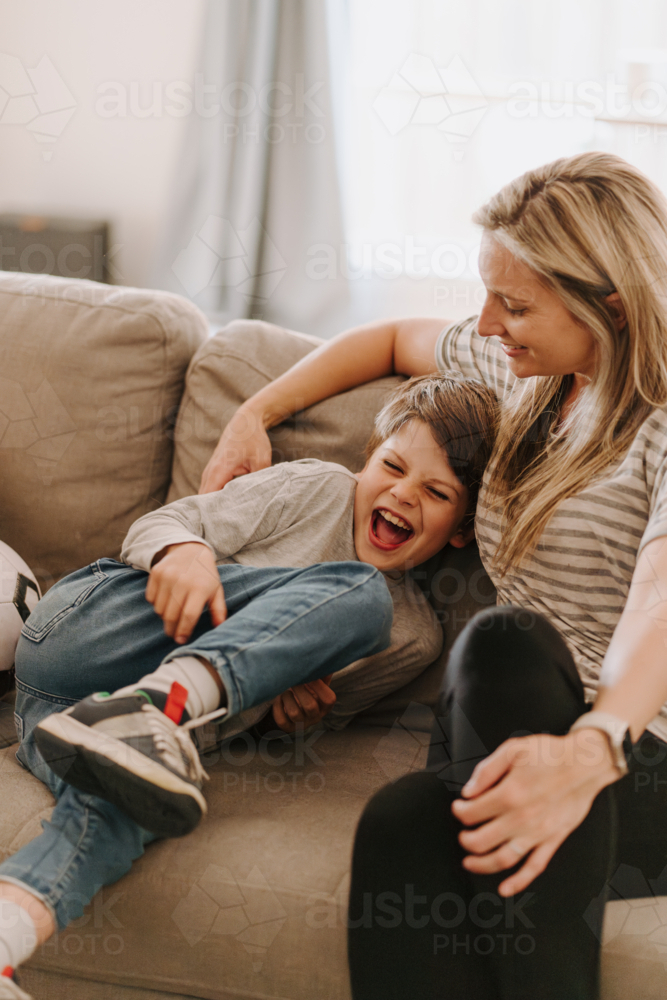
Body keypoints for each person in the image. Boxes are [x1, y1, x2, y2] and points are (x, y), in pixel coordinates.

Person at [195, 151, 667, 998]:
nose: (485, 325)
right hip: (496, 727)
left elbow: (658, 601)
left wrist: (594, 748)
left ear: (610, 306)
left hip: (637, 756)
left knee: (503, 650)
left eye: (514, 304)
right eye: (487, 296)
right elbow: (385, 339)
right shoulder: (521, 376)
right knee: (401, 815)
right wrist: (253, 412)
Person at [0, 373, 496, 1000]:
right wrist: (185, 552)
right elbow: (163, 526)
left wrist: (286, 716)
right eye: (391, 467)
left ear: (461, 529)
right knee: (362, 593)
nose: (401, 493)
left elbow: (280, 721)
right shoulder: (319, 487)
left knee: (133, 805)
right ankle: (155, 704)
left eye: (435, 491)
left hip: (63, 720)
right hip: (95, 631)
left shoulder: (413, 638)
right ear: (365, 463)